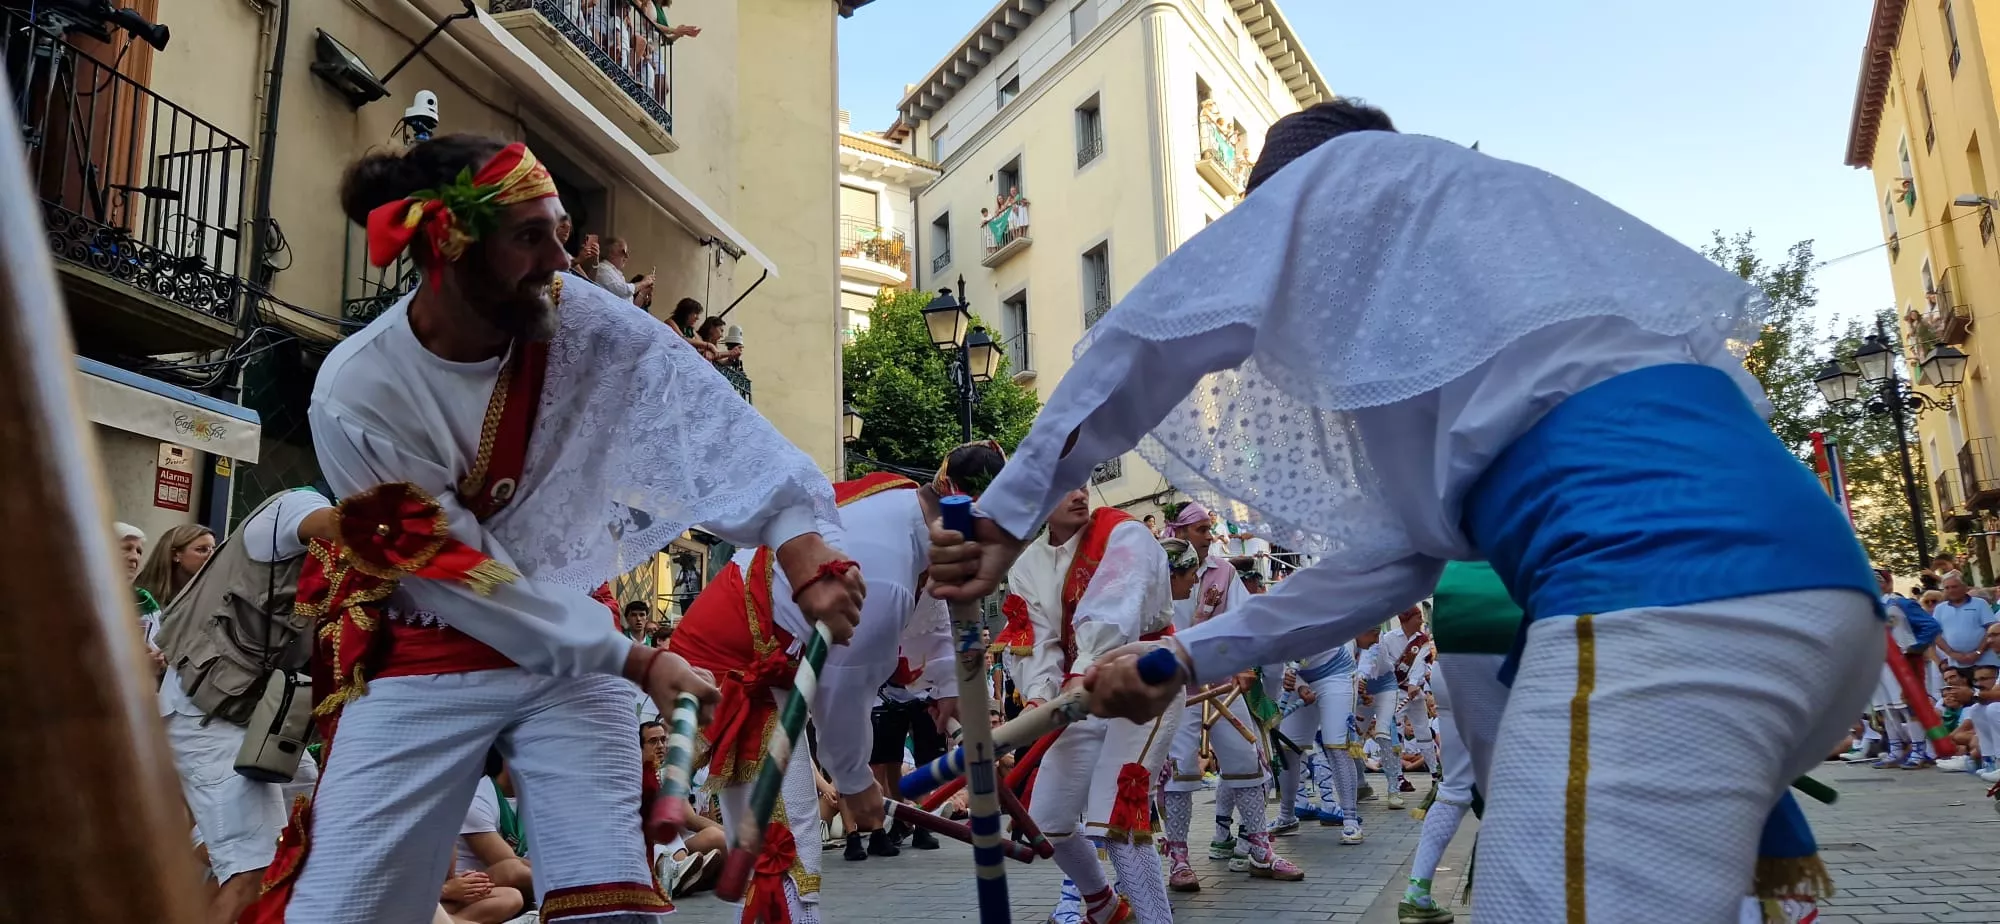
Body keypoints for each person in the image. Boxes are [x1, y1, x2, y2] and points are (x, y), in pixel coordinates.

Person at [927, 99, 1878, 923]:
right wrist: (1180, 658)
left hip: (1664, 604)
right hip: (1822, 596)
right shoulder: (1498, 282)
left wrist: (1011, 512)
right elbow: (1397, 559)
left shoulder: (1343, 181)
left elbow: (1149, 334)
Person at [248, 134, 861, 924]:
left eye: (561, 232)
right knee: (347, 908)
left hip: (578, 660)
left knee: (610, 900)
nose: (561, 261)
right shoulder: (357, 392)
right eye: (530, 237)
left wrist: (804, 545)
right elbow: (461, 573)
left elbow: (715, 429)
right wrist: (638, 660)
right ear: (448, 246)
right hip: (429, 648)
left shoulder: (582, 320)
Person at [673, 443, 1002, 924]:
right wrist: (854, 781)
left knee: (782, 843)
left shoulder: (905, 503)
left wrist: (948, 681)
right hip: (738, 668)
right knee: (787, 844)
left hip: (772, 660)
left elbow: (929, 606)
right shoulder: (883, 575)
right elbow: (842, 694)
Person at [151, 489, 338, 924]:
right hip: (206, 717)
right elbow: (339, 526)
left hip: (255, 722)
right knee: (252, 870)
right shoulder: (294, 507)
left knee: (315, 823)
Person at [1007, 489, 1181, 924]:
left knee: (1117, 815)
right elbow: (1039, 643)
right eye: (1063, 484)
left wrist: (1078, 680)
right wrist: (1037, 701)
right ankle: (1104, 906)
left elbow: (1113, 612)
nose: (1079, 492)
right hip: (1076, 691)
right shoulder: (1027, 566)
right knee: (1049, 815)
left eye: (1081, 480)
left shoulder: (1122, 533)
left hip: (1143, 676)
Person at [135, 523, 216, 607]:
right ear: (175, 554)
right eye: (202, 550)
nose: (211, 556)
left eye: (213, 549)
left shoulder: (213, 593)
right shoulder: (142, 596)